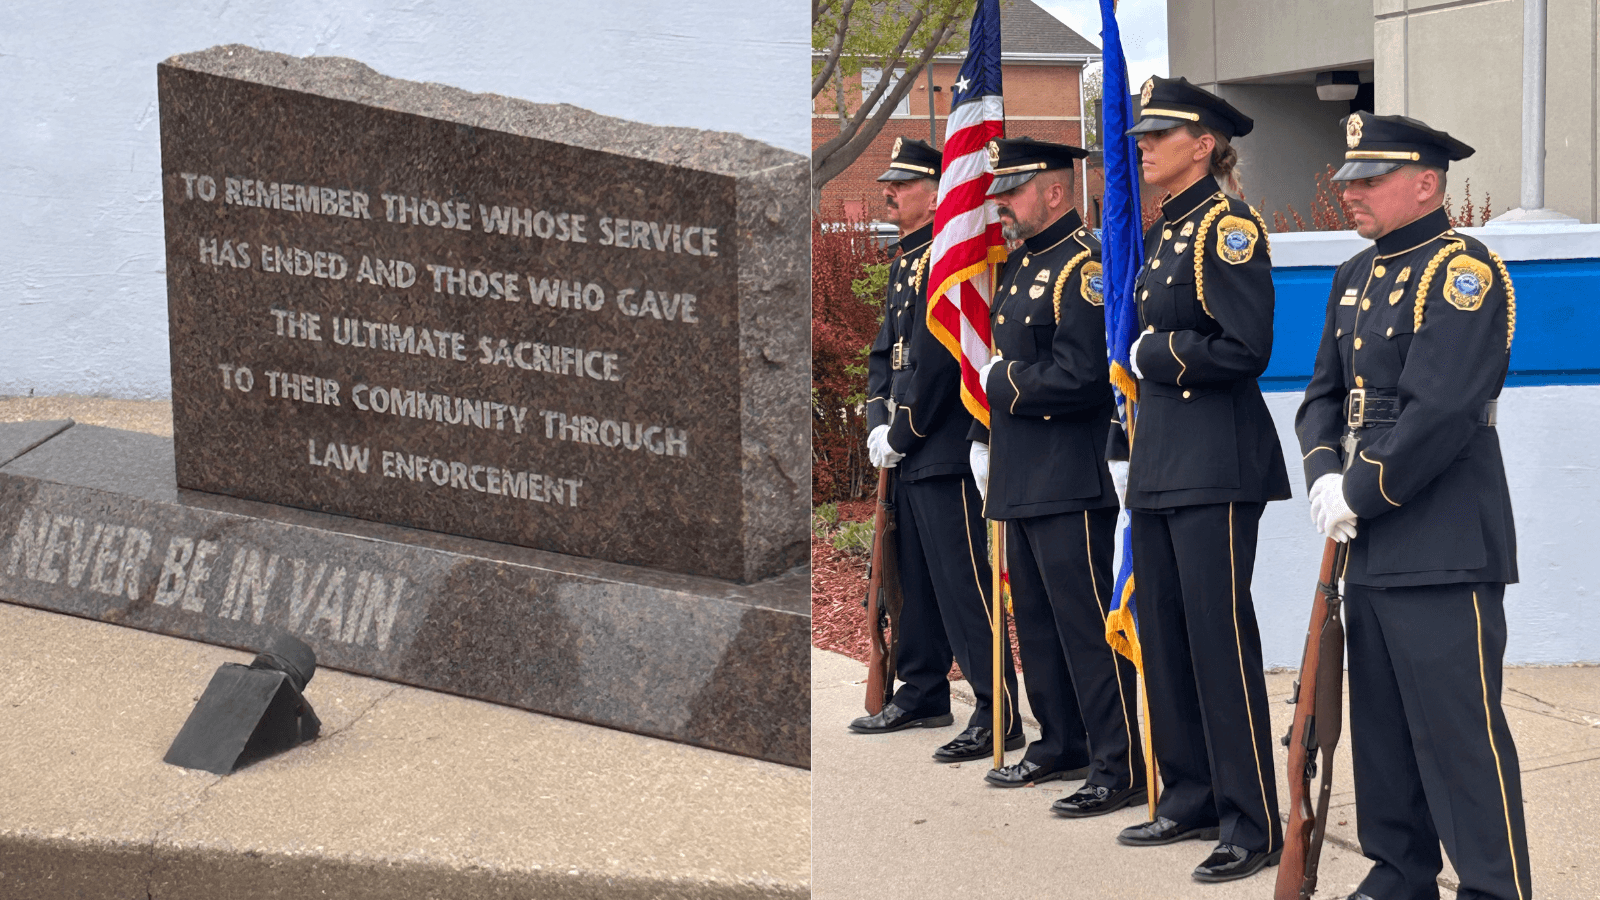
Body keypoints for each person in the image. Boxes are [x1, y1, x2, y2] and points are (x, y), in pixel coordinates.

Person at [1296, 113, 1530, 900]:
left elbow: (1441, 412)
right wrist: (1326, 476)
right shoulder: (1353, 275)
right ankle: (1399, 874)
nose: (1350, 194)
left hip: (1441, 536)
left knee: (1460, 736)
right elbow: (1322, 398)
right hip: (1369, 541)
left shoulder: (1463, 272)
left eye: (1368, 181)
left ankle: (1494, 889)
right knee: (1385, 730)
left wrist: (1358, 491)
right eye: (1348, 182)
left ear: (1425, 183)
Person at [1111, 76, 1290, 883]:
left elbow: (1247, 347)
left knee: (1219, 643)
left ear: (1205, 146)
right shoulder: (1165, 232)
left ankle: (1250, 824)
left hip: (1216, 464)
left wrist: (1158, 356)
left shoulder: (1228, 228)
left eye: (1159, 135)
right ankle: (1188, 795)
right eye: (1143, 135)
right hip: (1160, 464)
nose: (1142, 145)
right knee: (1169, 639)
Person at [966, 137, 1144, 814]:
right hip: (1022, 475)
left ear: (1056, 191)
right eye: (1001, 194)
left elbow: (1085, 376)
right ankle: (1059, 742)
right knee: (1035, 625)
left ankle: (1116, 761)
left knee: (1085, 626)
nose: (1003, 206)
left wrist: (1003, 380)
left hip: (1070, 478)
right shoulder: (1021, 267)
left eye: (1013, 192)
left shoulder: (1082, 268)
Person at [848, 138, 1024, 765]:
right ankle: (922, 690)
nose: (888, 193)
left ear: (935, 194)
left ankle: (994, 706)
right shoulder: (905, 261)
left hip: (941, 448)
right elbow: (883, 355)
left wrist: (901, 433)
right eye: (888, 184)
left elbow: (941, 360)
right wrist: (877, 422)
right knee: (912, 582)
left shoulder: (947, 263)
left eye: (902, 184)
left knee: (962, 585)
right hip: (904, 450)